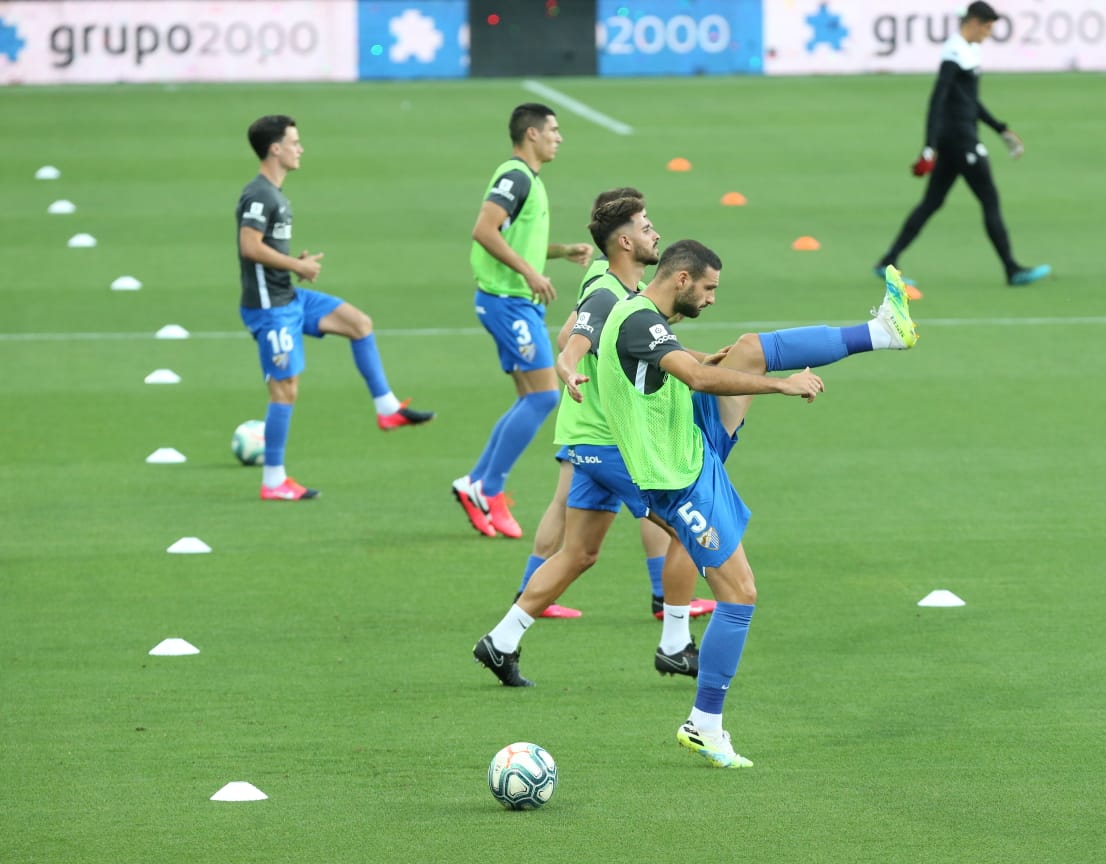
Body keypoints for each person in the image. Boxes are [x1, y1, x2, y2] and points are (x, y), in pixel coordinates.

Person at [476, 236, 918, 772]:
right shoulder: (635, 318)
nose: (711, 298)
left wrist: (707, 363)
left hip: (687, 440)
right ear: (681, 278)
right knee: (740, 593)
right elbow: (696, 377)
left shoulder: (639, 309)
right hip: (677, 478)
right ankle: (702, 720)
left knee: (748, 347)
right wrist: (780, 387)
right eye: (708, 288)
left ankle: (882, 333)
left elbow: (672, 365)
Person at [514, 187, 714, 622]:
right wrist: (571, 370)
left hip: (602, 426)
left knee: (580, 546)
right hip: (604, 429)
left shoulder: (630, 287)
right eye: (646, 226)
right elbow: (570, 341)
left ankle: (516, 617)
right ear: (624, 239)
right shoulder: (606, 289)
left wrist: (706, 357)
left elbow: (648, 345)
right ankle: (671, 614)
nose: (655, 233)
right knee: (686, 521)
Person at [236, 114, 434, 502]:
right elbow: (249, 246)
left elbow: (265, 249)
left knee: (358, 323)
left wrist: (292, 265)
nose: (300, 148)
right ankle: (273, 481)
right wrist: (297, 266)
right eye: (294, 142)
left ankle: (387, 408)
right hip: (270, 308)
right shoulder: (259, 195)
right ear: (275, 149)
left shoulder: (275, 193)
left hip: (289, 297)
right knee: (284, 391)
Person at [452, 102, 594, 539]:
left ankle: (476, 483)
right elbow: (484, 230)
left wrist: (560, 252)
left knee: (528, 397)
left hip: (514, 301)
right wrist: (531, 273)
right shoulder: (515, 177)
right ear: (532, 133)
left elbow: (515, 239)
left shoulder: (528, 180)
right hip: (508, 302)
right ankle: (489, 488)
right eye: (553, 130)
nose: (559, 137)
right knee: (545, 396)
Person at [874, 0, 1050, 291]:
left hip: (957, 140)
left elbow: (969, 101)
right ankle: (1011, 269)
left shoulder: (969, 51)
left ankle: (887, 261)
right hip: (960, 142)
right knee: (989, 200)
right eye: (988, 28)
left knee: (932, 203)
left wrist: (1000, 128)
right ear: (974, 23)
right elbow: (937, 100)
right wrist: (929, 145)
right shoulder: (953, 54)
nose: (989, 34)